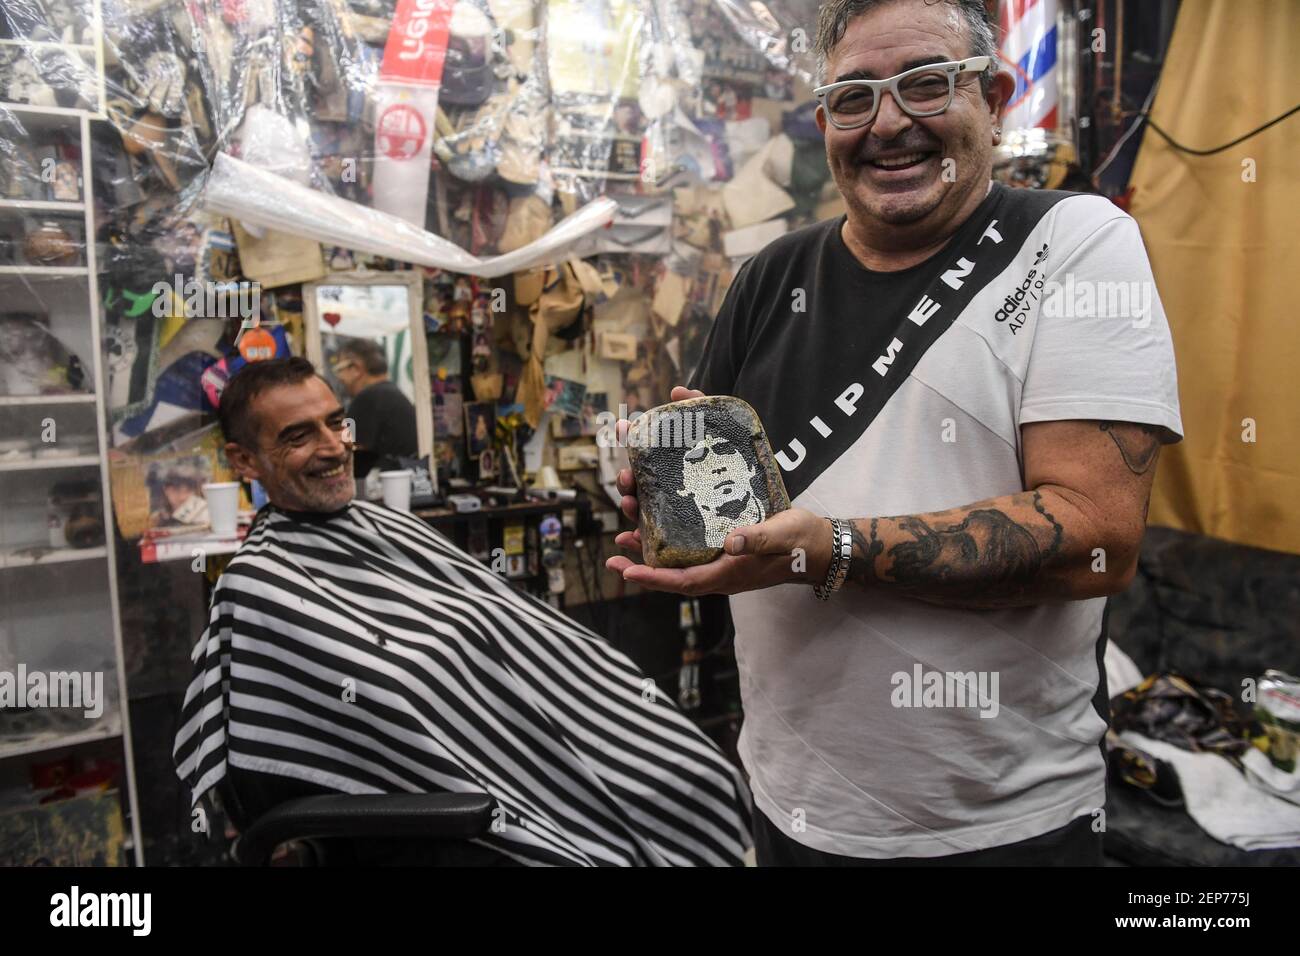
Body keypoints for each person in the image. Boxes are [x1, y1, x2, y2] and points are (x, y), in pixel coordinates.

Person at [608, 0, 1182, 866]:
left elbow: (1096, 539)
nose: (888, 125)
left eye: (923, 85)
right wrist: (683, 519)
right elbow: (728, 503)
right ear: (825, 122)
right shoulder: (770, 277)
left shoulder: (1071, 244)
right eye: (855, 97)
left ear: (995, 96)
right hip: (789, 806)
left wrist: (826, 547)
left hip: (1001, 827)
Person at [174, 357, 751, 866]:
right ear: (244, 460)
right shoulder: (255, 586)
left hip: (542, 744)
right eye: (298, 435)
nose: (331, 446)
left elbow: (518, 633)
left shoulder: (391, 526)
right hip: (456, 814)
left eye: (335, 422)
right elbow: (331, 746)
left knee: (688, 773)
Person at [330, 338, 417, 476]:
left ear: (355, 368)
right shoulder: (391, 393)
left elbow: (349, 451)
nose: (340, 377)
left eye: (340, 369)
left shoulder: (367, 398)